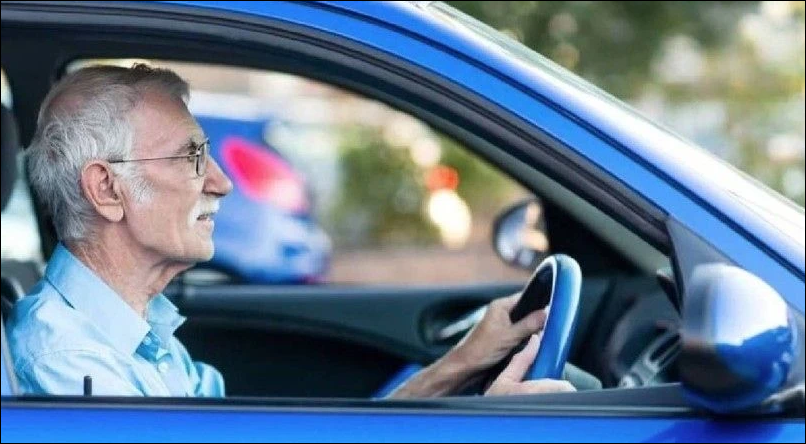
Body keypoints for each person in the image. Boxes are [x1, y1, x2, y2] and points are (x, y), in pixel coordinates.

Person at [7, 64, 574, 397]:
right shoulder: (71, 364)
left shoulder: (135, 333)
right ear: (107, 189)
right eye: (191, 157)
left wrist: (461, 365)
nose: (222, 183)